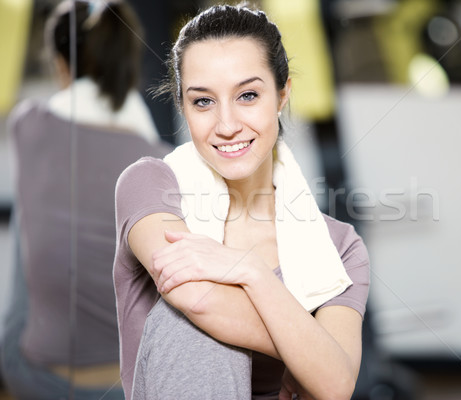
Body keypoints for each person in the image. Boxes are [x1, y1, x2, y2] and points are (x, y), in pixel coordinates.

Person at [113, 4, 370, 399]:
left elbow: (336, 386)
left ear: (282, 95)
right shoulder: (149, 185)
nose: (228, 125)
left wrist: (251, 270)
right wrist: (310, 348)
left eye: (247, 95)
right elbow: (196, 298)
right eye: (203, 101)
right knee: (188, 326)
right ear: (182, 105)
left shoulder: (339, 248)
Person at [0, 1, 172, 398]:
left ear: (61, 65)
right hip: (133, 386)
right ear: (131, 66)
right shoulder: (164, 164)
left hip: (36, 378)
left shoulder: (28, 126)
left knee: (37, 218)